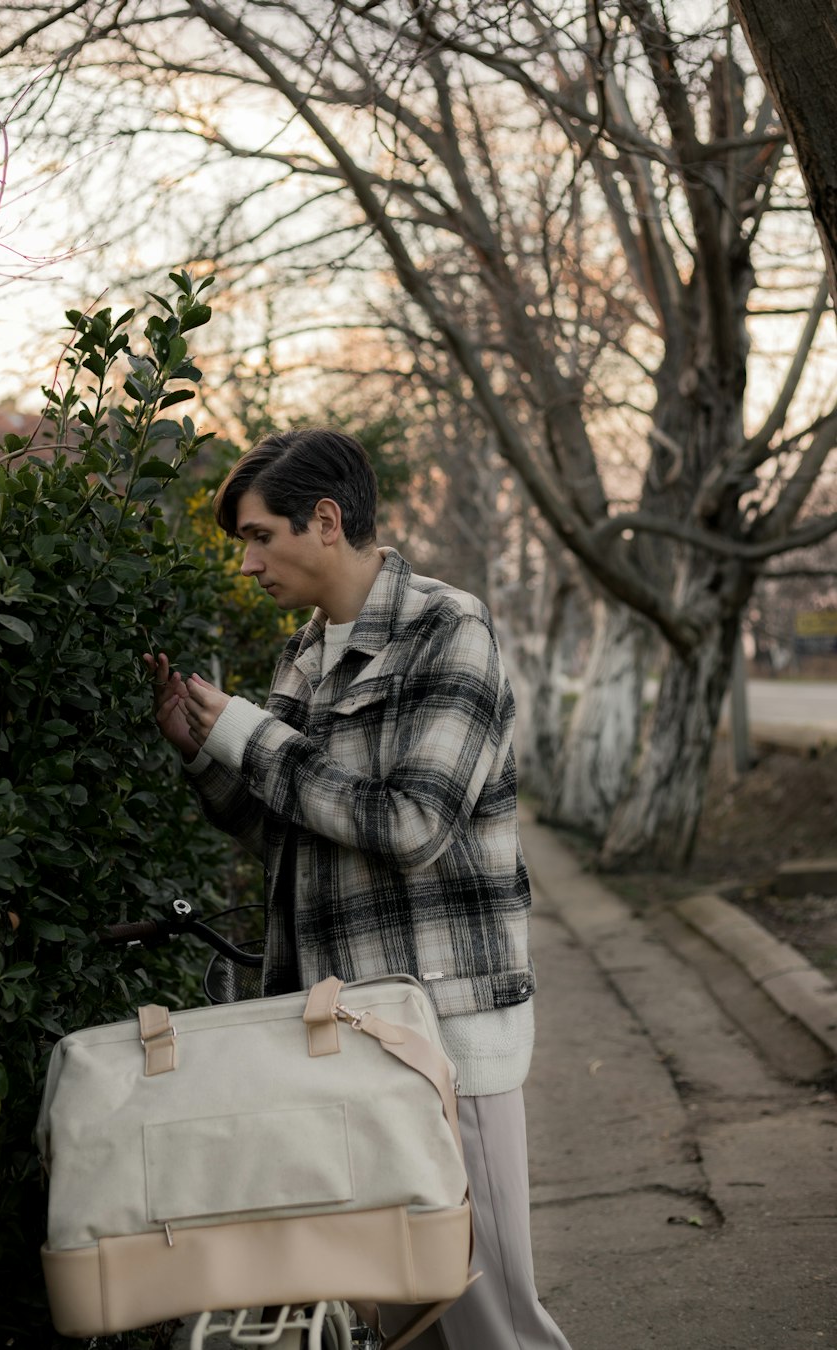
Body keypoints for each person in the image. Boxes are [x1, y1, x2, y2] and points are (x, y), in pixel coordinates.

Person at [144, 427, 571, 1350]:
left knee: (491, 1320)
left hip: (447, 1028)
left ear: (326, 521)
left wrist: (250, 739)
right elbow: (292, 835)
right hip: (341, 1030)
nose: (249, 564)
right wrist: (206, 754)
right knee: (399, 1319)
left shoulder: (448, 630)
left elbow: (411, 826)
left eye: (260, 536)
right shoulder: (303, 654)